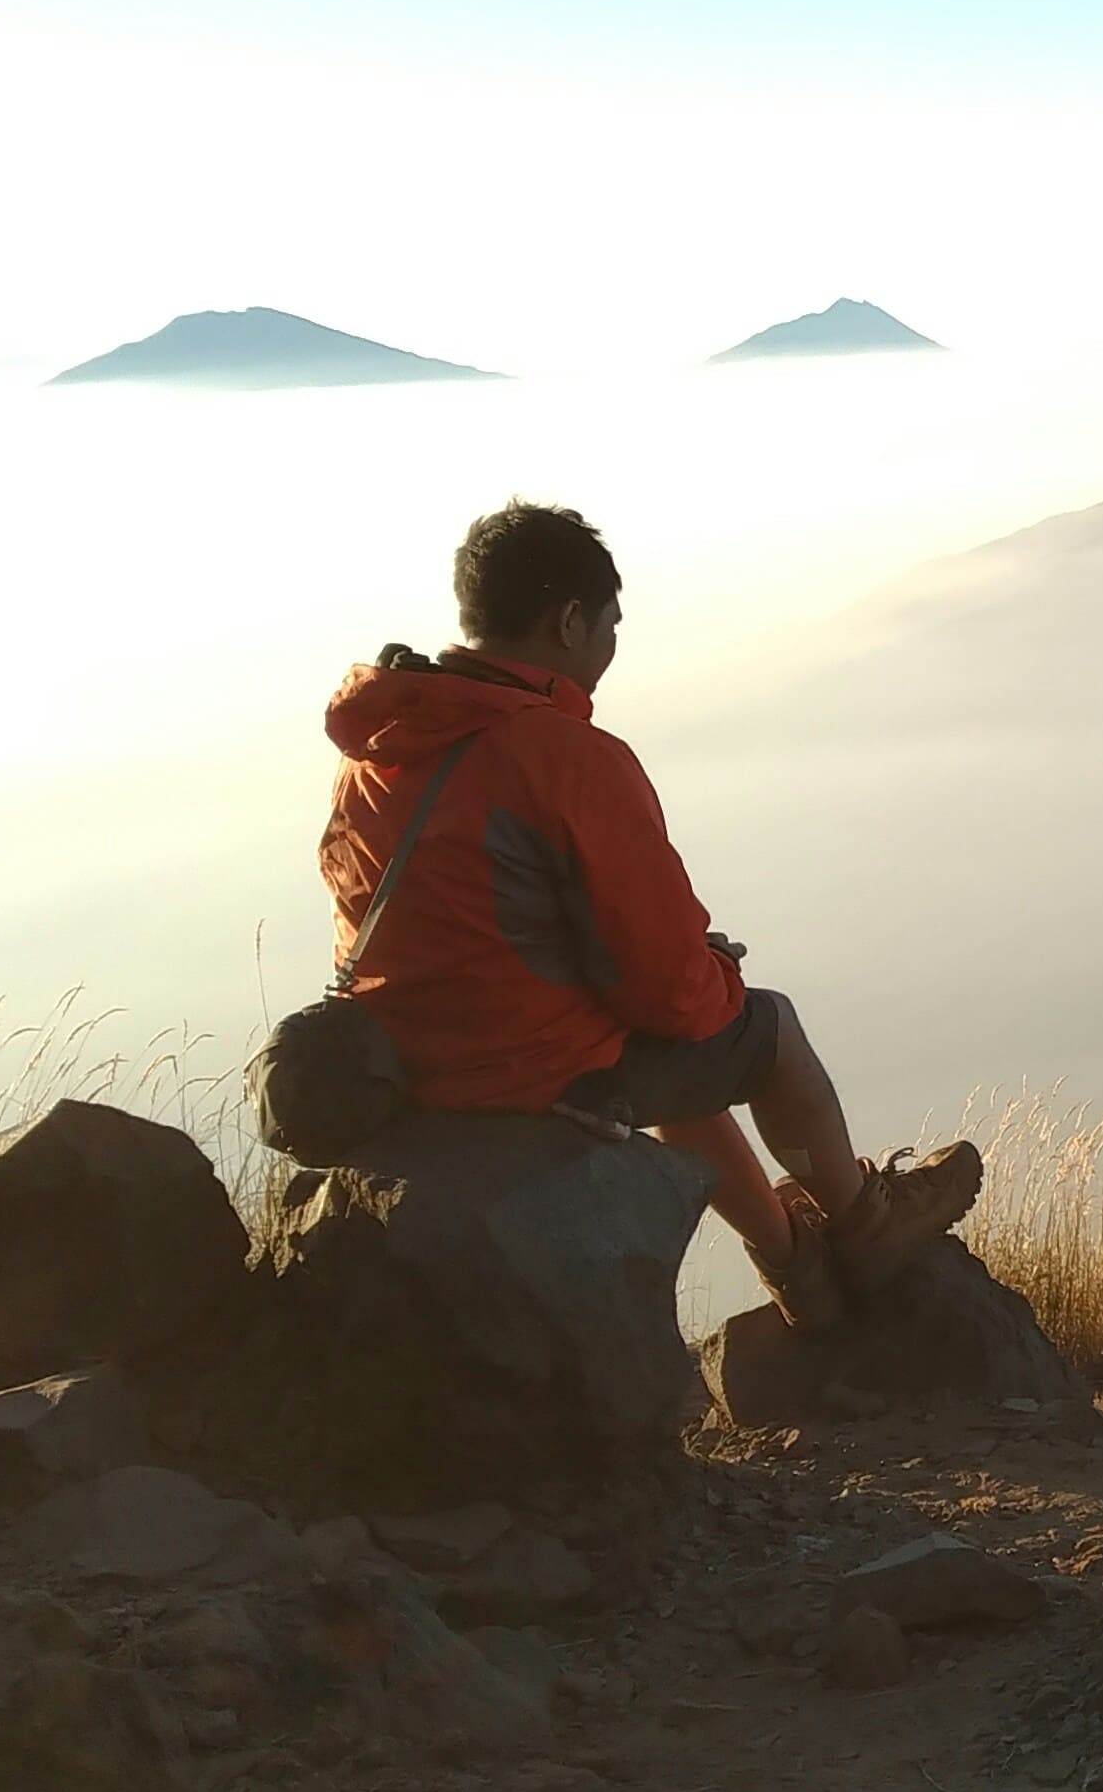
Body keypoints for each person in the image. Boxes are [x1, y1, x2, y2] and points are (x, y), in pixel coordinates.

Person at [317, 499, 979, 1331]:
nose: (612, 645)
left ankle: (796, 1266)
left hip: (411, 1059)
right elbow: (670, 992)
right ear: (568, 623)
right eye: (609, 623)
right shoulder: (567, 757)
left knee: (668, 1065)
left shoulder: (379, 752)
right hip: (525, 1074)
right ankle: (866, 1224)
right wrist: (717, 971)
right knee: (767, 1034)